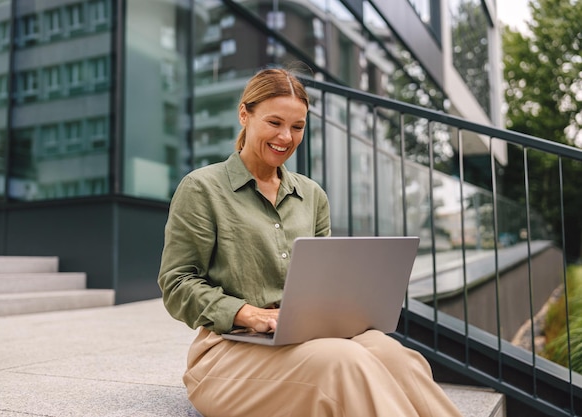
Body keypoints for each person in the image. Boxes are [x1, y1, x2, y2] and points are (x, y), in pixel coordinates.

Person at [158, 67, 463, 417]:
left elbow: (325, 282)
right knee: (344, 362)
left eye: (297, 127)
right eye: (274, 123)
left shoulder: (312, 195)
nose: (286, 137)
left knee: (397, 356)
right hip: (228, 352)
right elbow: (177, 283)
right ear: (245, 114)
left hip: (306, 338)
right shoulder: (202, 188)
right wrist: (245, 313)